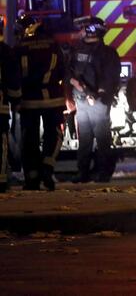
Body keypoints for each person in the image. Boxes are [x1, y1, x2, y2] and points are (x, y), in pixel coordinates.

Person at [15, 16, 67, 191]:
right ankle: (47, 168)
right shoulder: (53, 45)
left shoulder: (19, 47)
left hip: (29, 100)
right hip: (53, 98)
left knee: (29, 138)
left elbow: (15, 75)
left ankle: (32, 178)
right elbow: (62, 71)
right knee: (54, 134)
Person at [67, 16, 121, 183]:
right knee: (85, 138)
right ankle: (83, 172)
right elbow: (69, 72)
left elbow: (109, 78)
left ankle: (103, 172)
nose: (80, 32)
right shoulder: (77, 51)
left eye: (84, 28)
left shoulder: (107, 54)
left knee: (102, 138)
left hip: (97, 102)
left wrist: (97, 95)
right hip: (82, 100)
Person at [0, 30, 21, 193]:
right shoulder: (6, 51)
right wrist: (16, 100)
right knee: (2, 141)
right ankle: (1, 180)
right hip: (1, 105)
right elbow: (12, 79)